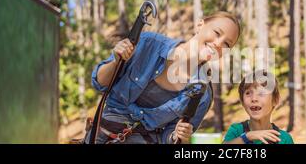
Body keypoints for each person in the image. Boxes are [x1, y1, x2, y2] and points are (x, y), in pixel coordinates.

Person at [87, 11, 240, 144]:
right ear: (200, 25)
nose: (219, 44)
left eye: (227, 44)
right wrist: (116, 61)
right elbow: (100, 83)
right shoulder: (147, 43)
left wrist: (179, 135)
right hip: (102, 133)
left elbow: (170, 136)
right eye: (217, 33)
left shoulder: (203, 95)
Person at [223, 70, 294, 144]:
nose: (254, 99)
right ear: (243, 102)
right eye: (248, 93)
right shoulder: (236, 131)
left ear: (275, 100)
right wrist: (247, 137)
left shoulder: (284, 139)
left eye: (261, 93)